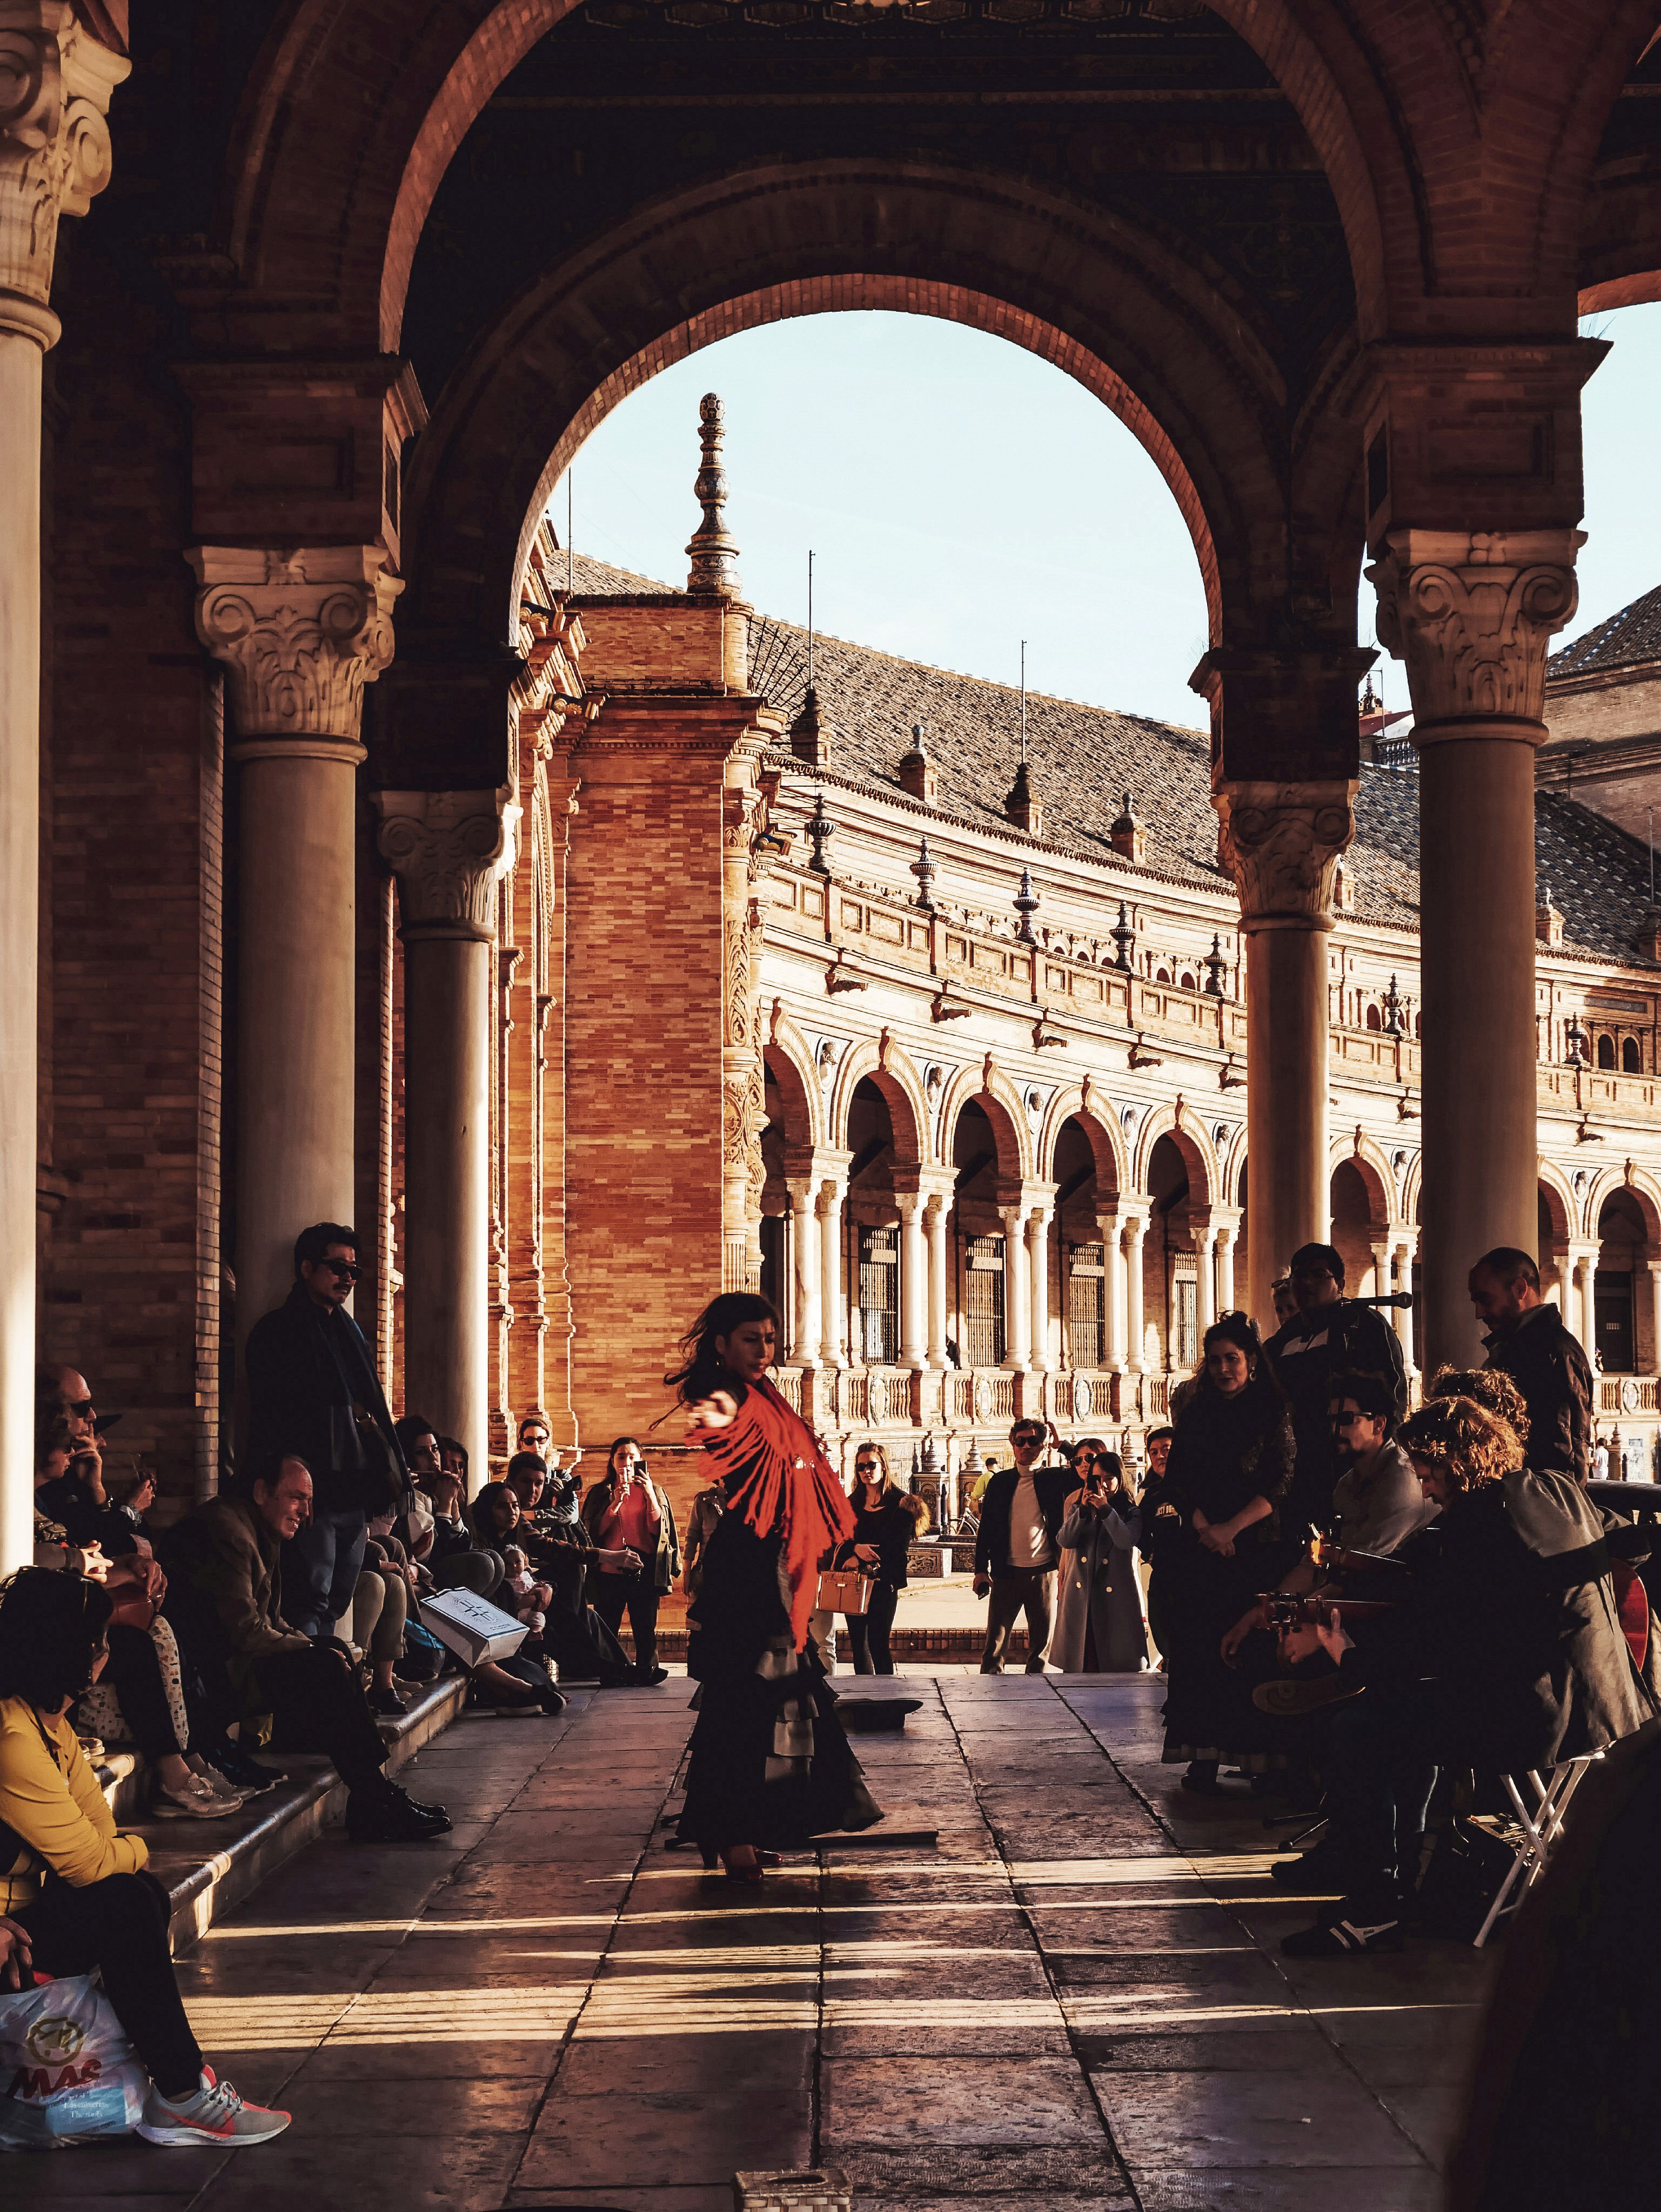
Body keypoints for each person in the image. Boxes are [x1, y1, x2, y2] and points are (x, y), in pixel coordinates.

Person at [1278, 1394, 1649, 1958]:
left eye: (1427, 1475)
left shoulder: (1472, 1524)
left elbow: (1424, 1643)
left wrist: (1341, 1651)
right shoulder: (1558, 1486)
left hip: (1537, 1723)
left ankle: (1376, 1903)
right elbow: (1635, 1544)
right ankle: (1415, 1877)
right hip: (1613, 1704)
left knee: (1360, 1726)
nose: (1424, 1490)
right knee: (1408, 1716)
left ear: (1455, 1462)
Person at [0, 1567, 292, 2146]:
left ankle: (177, 2085)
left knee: (137, 1895)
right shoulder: (10, 1735)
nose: (109, 1651)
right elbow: (89, 1858)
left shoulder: (46, 1724)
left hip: (18, 1923)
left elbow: (97, 1825)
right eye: (100, 1638)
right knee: (125, 1902)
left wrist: (122, 1852)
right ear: (74, 1651)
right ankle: (183, 2092)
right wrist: (136, 1849)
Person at [673, 1292, 880, 1878]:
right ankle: (732, 1832)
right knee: (743, 1704)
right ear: (721, 1343)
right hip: (745, 1572)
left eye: (768, 1338)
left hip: (777, 1565)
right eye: (749, 1338)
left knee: (778, 1703)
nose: (762, 1349)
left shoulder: (767, 1396)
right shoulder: (719, 1396)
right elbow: (714, 1444)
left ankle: (748, 1827)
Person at [162, 1454, 452, 1841]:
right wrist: (311, 1653)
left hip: (233, 1663)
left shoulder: (256, 1527)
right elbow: (247, 1632)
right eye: (297, 1497)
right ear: (262, 1491)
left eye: (310, 1501)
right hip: (206, 1681)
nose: (307, 1512)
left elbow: (273, 1621)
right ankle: (373, 1798)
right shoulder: (229, 1532)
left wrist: (316, 1647)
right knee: (322, 1665)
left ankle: (374, 1793)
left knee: (331, 1650)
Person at [244, 1223, 407, 1638]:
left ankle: (328, 1680)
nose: (348, 1279)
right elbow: (271, 1413)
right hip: (312, 1492)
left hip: (353, 1488)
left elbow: (371, 1409)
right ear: (306, 1268)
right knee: (308, 1595)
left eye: (354, 1271)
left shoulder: (348, 1331)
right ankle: (314, 1688)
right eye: (337, 1268)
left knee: (337, 1596)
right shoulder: (278, 1330)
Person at [1158, 1312, 1294, 1793]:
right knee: (1200, 1653)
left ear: (1251, 1361)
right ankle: (1203, 1756)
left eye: (1232, 1359)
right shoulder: (1196, 1414)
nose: (1222, 1369)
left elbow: (1279, 1481)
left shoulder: (1272, 1411)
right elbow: (1178, 1481)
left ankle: (1258, 1757)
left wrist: (1232, 1528)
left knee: (1248, 1652)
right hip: (1204, 1548)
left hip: (1256, 1547)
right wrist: (1206, 1529)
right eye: (1214, 1361)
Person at [1261, 1242, 1408, 1539]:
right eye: (1300, 1276)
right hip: (1294, 1470)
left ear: (1339, 1284)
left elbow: (1391, 1400)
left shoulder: (1366, 1325)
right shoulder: (1283, 1339)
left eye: (1318, 1275)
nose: (1307, 1283)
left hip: (1347, 1467)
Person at [1470, 1245, 1594, 1484]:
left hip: (1537, 1507)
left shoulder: (1555, 1353)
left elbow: (1562, 1457)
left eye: (1485, 1299)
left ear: (1519, 1289)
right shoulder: (1515, 1348)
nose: (1478, 1312)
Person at [972, 1418, 1074, 1674]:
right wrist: (980, 1569)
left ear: (1044, 1445)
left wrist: (1063, 1446)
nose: (1026, 1447)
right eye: (1021, 1441)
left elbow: (1092, 1467)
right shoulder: (1000, 1482)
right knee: (994, 1645)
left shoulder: (1056, 1478)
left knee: (1042, 1648)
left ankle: (1037, 1700)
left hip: (1045, 1571)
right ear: (1013, 1444)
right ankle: (990, 1699)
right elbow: (987, 1528)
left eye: (1033, 1441)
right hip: (1006, 1572)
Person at [580, 1438, 678, 1681]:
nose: (627, 1462)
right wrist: (615, 1503)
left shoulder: (654, 1491)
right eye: (621, 1457)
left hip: (643, 1568)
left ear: (641, 1460)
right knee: (608, 1625)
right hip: (609, 1567)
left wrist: (649, 1497)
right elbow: (593, 1533)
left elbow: (658, 1532)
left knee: (645, 1628)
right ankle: (610, 1672)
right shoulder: (600, 1492)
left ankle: (648, 1671)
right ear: (612, 1462)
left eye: (632, 1457)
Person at [1052, 1442, 1149, 1673]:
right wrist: (1084, 1511)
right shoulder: (1079, 1509)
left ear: (1119, 1479)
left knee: (1114, 1665)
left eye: (1109, 1478)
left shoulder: (1130, 1511)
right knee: (1081, 1662)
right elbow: (1065, 1540)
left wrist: (1106, 1510)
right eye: (1097, 1478)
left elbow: (1125, 1540)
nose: (1103, 1484)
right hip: (1082, 1597)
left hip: (1114, 1599)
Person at [836, 1441, 927, 1674]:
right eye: (861, 1467)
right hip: (854, 1583)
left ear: (884, 1467)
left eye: (872, 1465)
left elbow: (897, 1548)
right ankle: (864, 1698)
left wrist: (863, 1560)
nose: (867, 1471)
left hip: (883, 1583)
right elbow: (839, 1538)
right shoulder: (850, 1504)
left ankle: (888, 1699)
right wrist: (855, 1549)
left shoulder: (903, 1504)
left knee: (878, 1643)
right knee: (858, 1644)